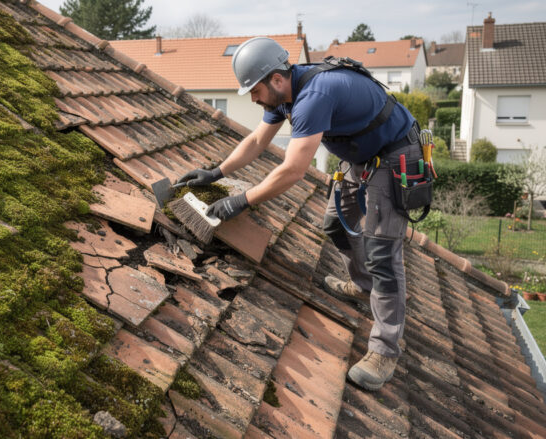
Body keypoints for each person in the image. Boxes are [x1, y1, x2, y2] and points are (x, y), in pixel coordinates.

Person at [176, 37, 423, 391]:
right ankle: (362, 284)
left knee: (382, 251)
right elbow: (258, 141)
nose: (253, 98)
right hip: (362, 156)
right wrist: (217, 172)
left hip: (398, 154)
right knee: (336, 224)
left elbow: (292, 170)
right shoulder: (285, 93)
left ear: (276, 79)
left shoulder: (314, 96)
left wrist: (241, 200)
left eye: (255, 90)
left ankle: (385, 350)